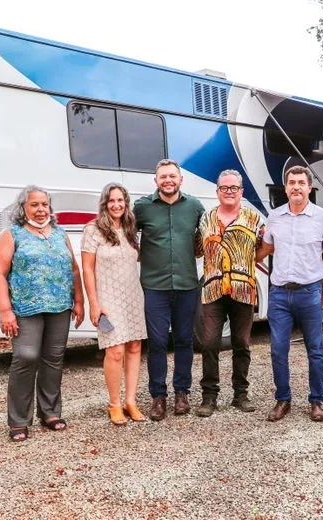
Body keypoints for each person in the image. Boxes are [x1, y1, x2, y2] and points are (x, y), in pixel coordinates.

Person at [0, 185, 84, 442]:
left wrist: (79, 300)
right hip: (25, 308)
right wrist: (5, 310)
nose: (41, 209)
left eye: (44, 204)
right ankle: (19, 420)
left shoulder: (59, 234)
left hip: (59, 307)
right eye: (35, 205)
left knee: (54, 358)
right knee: (26, 356)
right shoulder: (13, 234)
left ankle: (50, 412)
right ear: (23, 207)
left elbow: (73, 270)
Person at [257, 165, 323, 422]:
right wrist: (246, 253)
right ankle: (283, 400)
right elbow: (266, 249)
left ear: (309, 187)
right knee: (278, 349)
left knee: (315, 350)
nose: (296, 187)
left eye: (301, 183)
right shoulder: (274, 217)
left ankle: (317, 401)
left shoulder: (322, 217)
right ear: (285, 188)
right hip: (280, 294)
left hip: (310, 292)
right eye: (291, 182)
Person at [133, 159, 205, 421]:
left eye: (172, 176)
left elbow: (206, 238)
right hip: (155, 286)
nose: (168, 180)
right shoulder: (142, 208)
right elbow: (127, 236)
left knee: (185, 341)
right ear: (156, 181)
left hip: (187, 285)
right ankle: (158, 397)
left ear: (180, 179)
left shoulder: (195, 207)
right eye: (163, 176)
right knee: (158, 342)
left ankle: (182, 394)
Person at [195, 170, 264, 417]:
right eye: (224, 188)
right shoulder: (206, 219)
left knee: (242, 343)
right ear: (217, 192)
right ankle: (209, 396)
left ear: (241, 191)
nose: (229, 192)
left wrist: (248, 262)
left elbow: (266, 245)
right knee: (210, 342)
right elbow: (197, 249)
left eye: (234, 188)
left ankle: (240, 395)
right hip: (213, 290)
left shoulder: (254, 219)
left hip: (243, 289)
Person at [81, 183, 148, 426]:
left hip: (133, 294)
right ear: (104, 204)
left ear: (126, 203)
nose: (116, 205)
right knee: (115, 350)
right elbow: (87, 268)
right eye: (112, 201)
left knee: (134, 348)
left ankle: (131, 401)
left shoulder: (130, 228)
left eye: (121, 200)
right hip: (107, 297)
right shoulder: (94, 229)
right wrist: (94, 302)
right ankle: (114, 403)